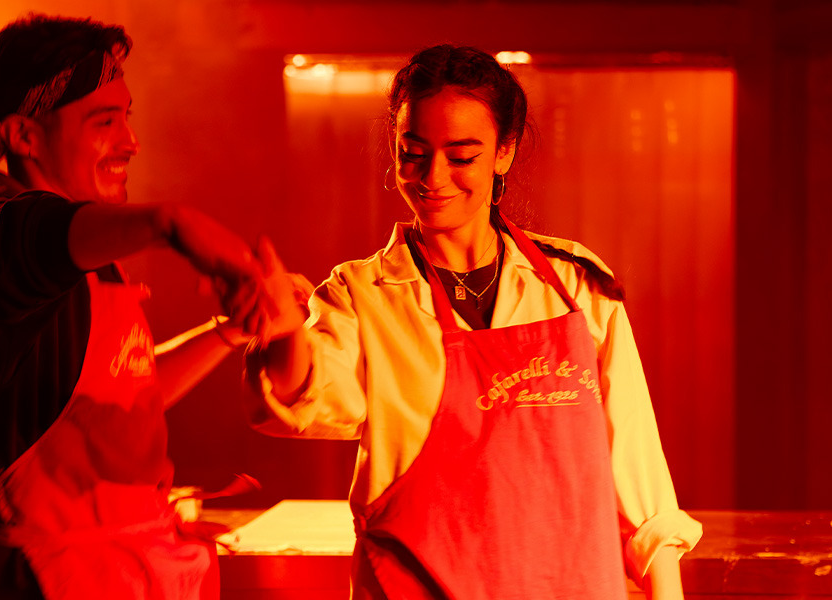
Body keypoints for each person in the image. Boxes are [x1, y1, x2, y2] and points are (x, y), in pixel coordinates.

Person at [248, 45, 703, 599]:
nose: (434, 177)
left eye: (461, 156)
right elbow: (304, 398)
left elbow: (636, 465)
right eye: (413, 153)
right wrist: (285, 326)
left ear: (504, 153)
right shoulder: (363, 295)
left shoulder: (575, 285)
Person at [0, 14, 276, 599]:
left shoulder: (93, 253)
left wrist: (226, 333)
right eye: (104, 121)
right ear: (24, 137)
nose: (130, 141)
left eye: (128, 118)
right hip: (50, 576)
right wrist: (172, 223)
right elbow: (41, 232)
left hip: (130, 562)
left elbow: (120, 394)